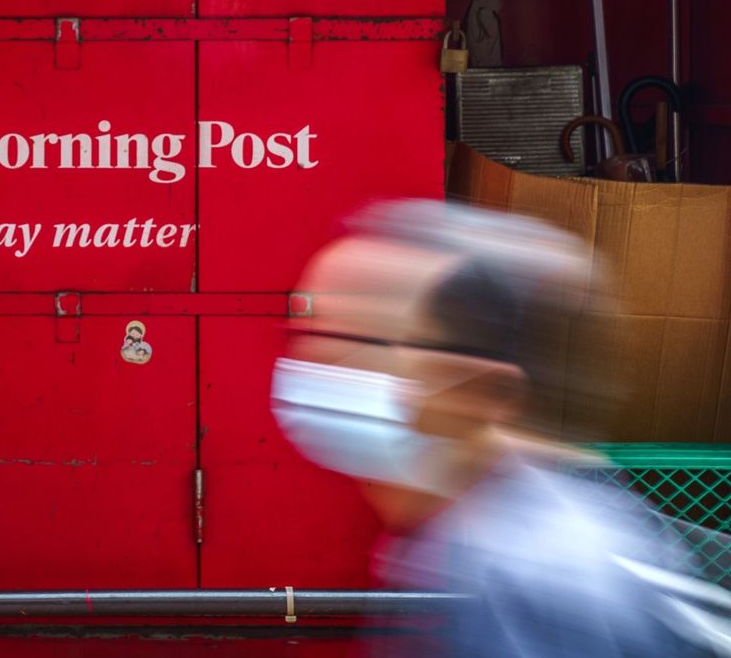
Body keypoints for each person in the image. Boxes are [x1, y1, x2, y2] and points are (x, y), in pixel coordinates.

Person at [271, 199, 710, 657]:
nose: (313, 364)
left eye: (350, 338)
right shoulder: (457, 541)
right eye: (306, 328)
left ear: (477, 386)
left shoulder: (535, 579)